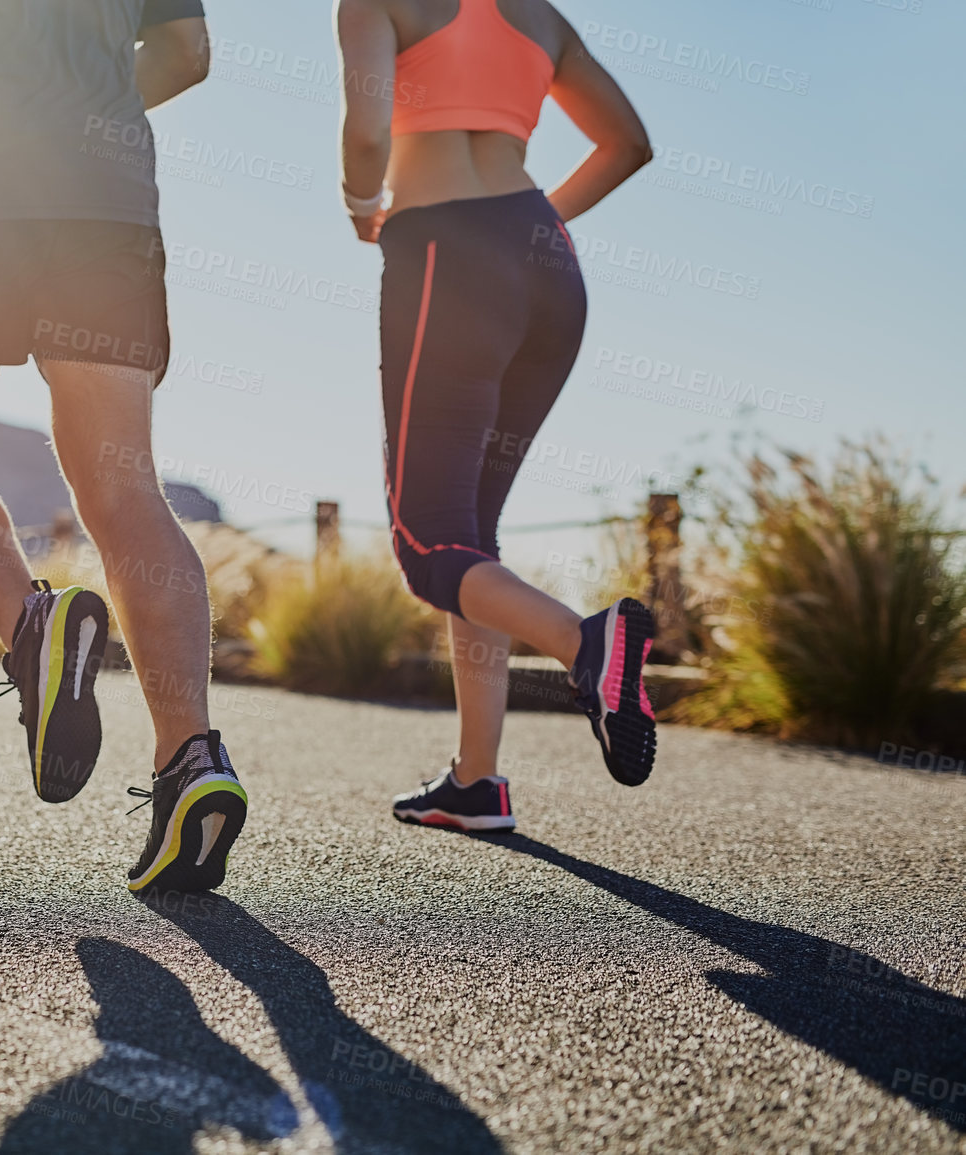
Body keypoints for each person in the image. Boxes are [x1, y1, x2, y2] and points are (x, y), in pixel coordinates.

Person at [0, 0, 248, 892]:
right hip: (101, 209)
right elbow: (184, 54)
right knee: (126, 492)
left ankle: (33, 625)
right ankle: (191, 758)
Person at [334, 0, 659, 831]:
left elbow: (368, 131)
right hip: (548, 264)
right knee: (470, 536)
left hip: (445, 250)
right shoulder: (539, 16)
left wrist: (359, 202)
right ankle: (475, 780)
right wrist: (529, 224)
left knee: (425, 541)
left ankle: (586, 644)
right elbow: (628, 144)